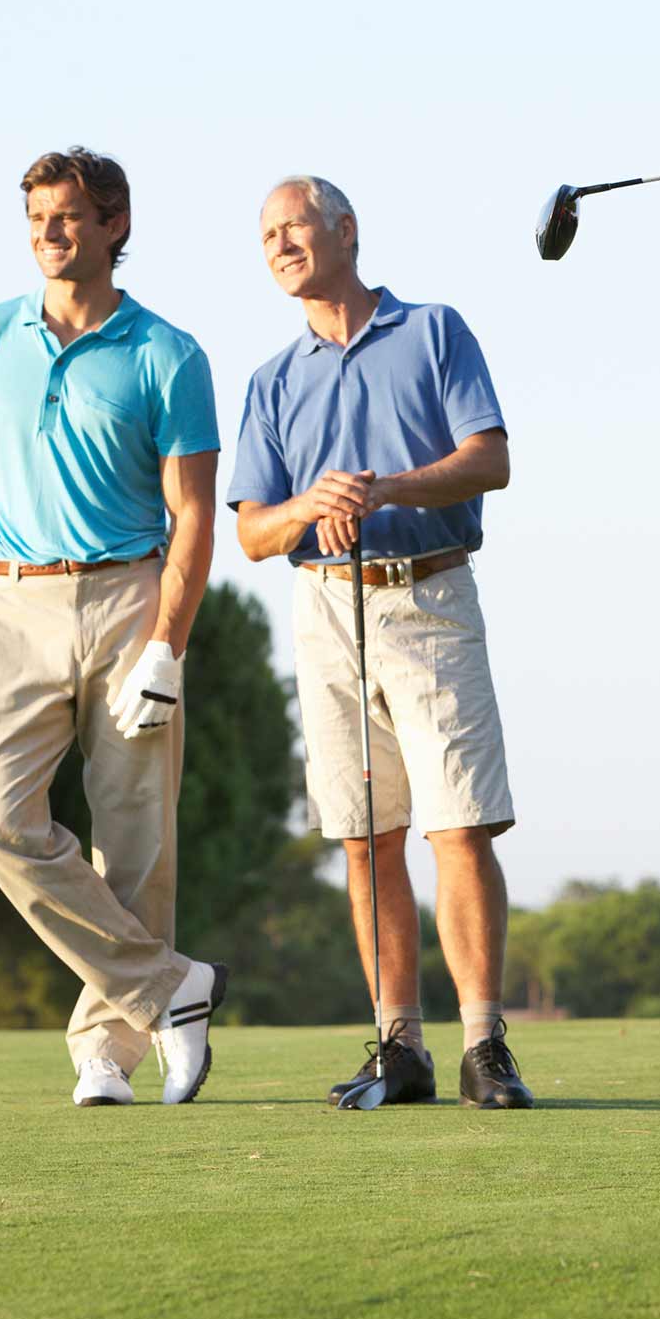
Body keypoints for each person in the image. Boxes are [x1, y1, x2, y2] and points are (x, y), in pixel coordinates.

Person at [0, 147, 227, 1108]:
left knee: (134, 841)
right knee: (0, 823)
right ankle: (170, 985)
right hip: (16, 604)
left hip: (131, 600)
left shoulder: (168, 354)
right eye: (39, 219)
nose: (50, 235)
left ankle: (106, 1051)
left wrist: (168, 644)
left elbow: (196, 518)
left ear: (115, 225)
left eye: (69, 218)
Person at [228, 175, 532, 1111]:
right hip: (325, 614)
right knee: (365, 839)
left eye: (296, 226)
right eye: (267, 234)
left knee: (459, 825)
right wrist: (306, 508)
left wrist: (385, 490)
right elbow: (250, 531)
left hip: (430, 595)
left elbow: (493, 458)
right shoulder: (272, 380)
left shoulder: (435, 331)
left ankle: (485, 1044)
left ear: (346, 231)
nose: (281, 244)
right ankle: (400, 1046)